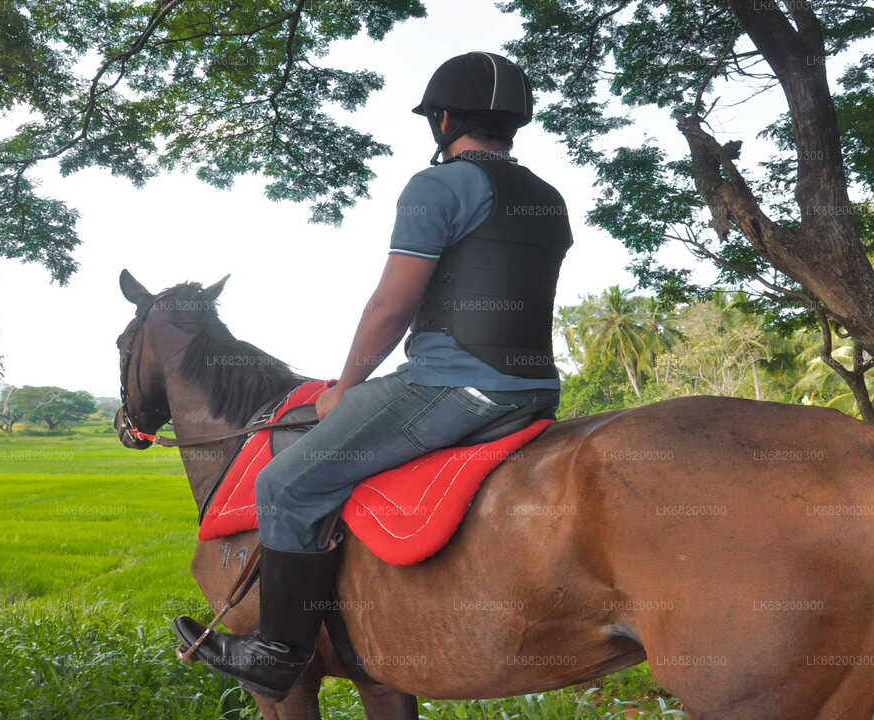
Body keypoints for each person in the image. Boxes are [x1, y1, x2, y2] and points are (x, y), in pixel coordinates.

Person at [171, 51, 574, 700]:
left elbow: (392, 305)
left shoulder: (436, 185)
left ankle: (277, 651)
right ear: (513, 124)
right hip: (532, 390)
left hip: (451, 388)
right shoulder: (546, 198)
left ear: (443, 119)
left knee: (286, 485)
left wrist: (346, 386)